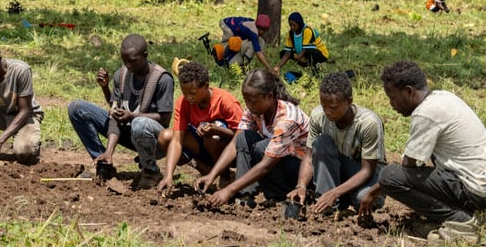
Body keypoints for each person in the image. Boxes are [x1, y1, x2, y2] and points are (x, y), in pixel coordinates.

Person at [360, 60, 486, 243]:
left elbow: (408, 166)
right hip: (479, 184)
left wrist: (373, 192)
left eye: (393, 98)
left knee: (389, 176)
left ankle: (462, 221)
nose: (392, 104)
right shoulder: (444, 97)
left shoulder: (425, 113)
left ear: (409, 91)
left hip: (474, 190)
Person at [68, 34, 173, 188]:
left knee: (139, 123)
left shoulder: (162, 79)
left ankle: (151, 171)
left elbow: (164, 120)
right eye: (124, 60)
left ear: (145, 56)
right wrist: (109, 151)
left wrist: (132, 116)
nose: (128, 65)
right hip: (128, 132)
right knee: (77, 108)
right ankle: (104, 163)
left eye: (132, 61)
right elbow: (115, 113)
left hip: (155, 139)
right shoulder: (121, 75)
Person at [198, 68, 309, 207]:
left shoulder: (287, 118)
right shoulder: (255, 110)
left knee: (261, 148)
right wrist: (212, 175)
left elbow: (266, 165)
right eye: (246, 101)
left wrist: (228, 190)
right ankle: (244, 195)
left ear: (269, 96)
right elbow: (234, 144)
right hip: (279, 162)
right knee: (243, 137)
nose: (249, 106)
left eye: (253, 102)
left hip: (301, 171)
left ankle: (281, 196)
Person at [287, 72, 386, 216]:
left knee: (362, 199)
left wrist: (335, 193)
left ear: (349, 101)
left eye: (333, 107)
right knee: (321, 142)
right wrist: (301, 185)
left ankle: (337, 196)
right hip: (338, 168)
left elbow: (367, 170)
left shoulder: (368, 123)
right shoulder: (318, 116)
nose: (328, 112)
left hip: (366, 173)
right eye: (324, 106)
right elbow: (309, 156)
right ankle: (327, 205)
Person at [156, 61, 243, 196]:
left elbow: (242, 135)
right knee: (165, 137)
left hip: (228, 150)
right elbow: (177, 141)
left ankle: (225, 175)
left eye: (192, 93)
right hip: (201, 146)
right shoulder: (183, 103)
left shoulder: (225, 101)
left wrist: (217, 130)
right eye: (184, 93)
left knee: (212, 137)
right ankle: (205, 169)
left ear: (206, 86)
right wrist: (168, 175)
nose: (188, 97)